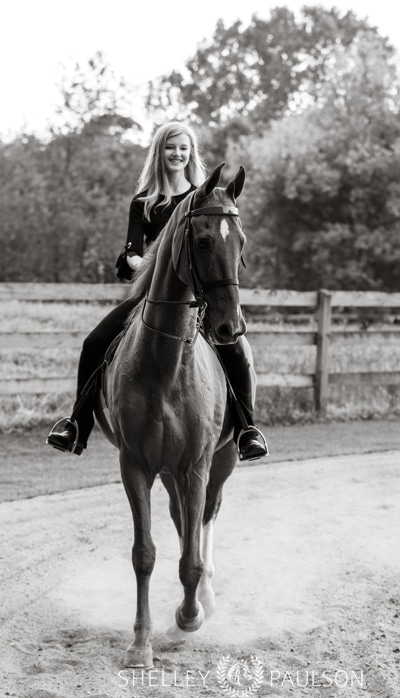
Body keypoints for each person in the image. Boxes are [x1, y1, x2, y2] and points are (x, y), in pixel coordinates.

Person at [46, 121, 268, 461]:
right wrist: (142, 265)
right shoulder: (144, 203)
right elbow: (132, 250)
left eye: (183, 147)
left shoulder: (203, 199)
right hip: (150, 294)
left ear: (191, 153)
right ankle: (77, 423)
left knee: (235, 350)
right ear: (159, 152)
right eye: (170, 147)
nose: (177, 153)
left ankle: (246, 429)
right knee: (93, 343)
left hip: (197, 298)